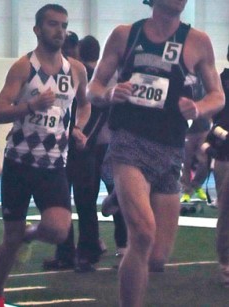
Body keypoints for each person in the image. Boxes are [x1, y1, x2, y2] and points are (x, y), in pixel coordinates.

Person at [87, 0, 225, 305]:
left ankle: (120, 200)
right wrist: (108, 93)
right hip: (129, 142)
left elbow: (217, 95)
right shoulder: (126, 35)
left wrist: (199, 107)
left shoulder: (198, 41)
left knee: (158, 257)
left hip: (170, 150)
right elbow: (92, 88)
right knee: (143, 234)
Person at [0, 5, 90, 306]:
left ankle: (29, 237)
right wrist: (31, 106)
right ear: (37, 30)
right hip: (19, 162)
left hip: (54, 165)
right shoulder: (23, 67)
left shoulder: (76, 70)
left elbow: (84, 105)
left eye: (64, 25)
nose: (59, 31)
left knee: (59, 230)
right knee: (9, 239)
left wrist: (79, 128)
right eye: (52, 24)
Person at [43, 33, 128, 272]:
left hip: (84, 145)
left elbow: (94, 109)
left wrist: (82, 134)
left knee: (85, 199)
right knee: (71, 199)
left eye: (70, 47)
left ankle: (88, 250)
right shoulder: (58, 74)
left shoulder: (85, 74)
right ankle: (73, 250)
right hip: (70, 144)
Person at [213, 43, 229, 287]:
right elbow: (212, 123)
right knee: (227, 214)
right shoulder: (221, 83)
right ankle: (227, 264)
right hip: (226, 156)